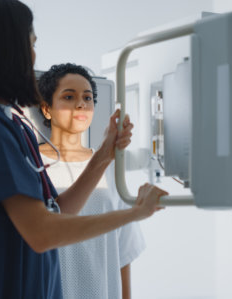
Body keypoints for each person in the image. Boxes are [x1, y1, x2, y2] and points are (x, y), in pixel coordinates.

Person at [0, 1, 166, 298]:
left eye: (87, 98)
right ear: (6, 46)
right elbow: (41, 232)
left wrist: (103, 154)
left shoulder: (13, 122)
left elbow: (58, 210)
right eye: (30, 43)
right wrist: (137, 212)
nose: (34, 54)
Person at [37, 63, 143, 299]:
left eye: (87, 97)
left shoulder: (111, 167)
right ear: (46, 109)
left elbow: (122, 252)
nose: (81, 104)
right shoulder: (32, 165)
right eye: (69, 96)